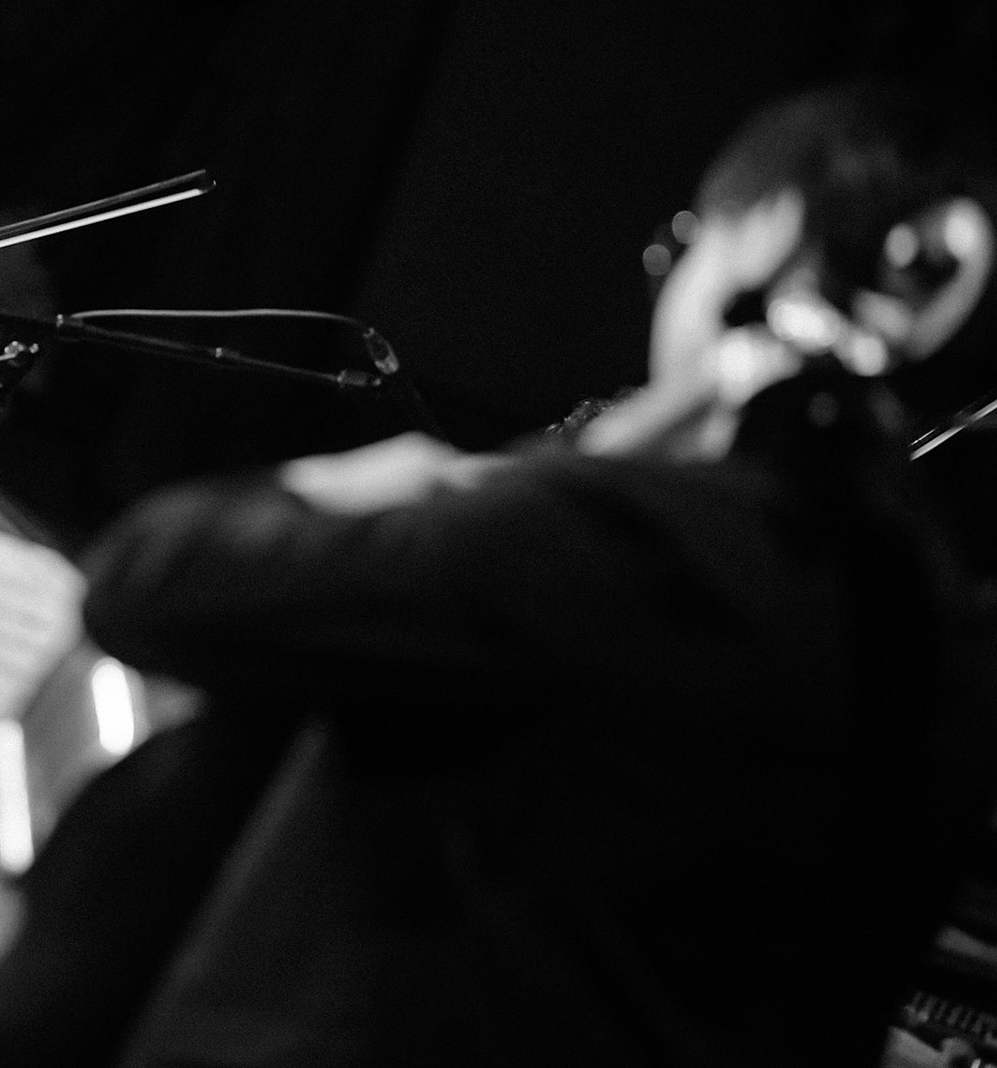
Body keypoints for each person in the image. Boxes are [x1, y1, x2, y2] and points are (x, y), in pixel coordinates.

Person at [76, 82, 997, 1068]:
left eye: (685, 245)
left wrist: (344, 485)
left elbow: (150, 581)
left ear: (769, 233)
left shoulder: (621, 539)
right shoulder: (945, 636)